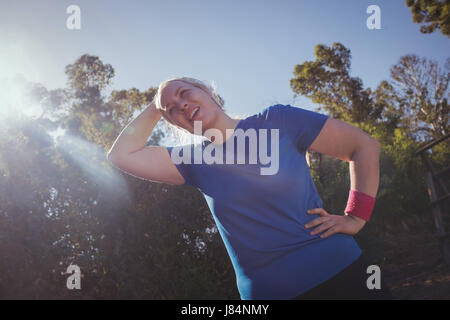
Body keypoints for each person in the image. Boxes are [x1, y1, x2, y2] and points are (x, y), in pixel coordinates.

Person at [107, 77, 393, 300]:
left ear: (207, 91)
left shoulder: (278, 120)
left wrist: (355, 217)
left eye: (185, 93)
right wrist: (157, 104)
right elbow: (121, 155)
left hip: (342, 273)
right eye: (171, 110)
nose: (180, 104)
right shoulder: (191, 160)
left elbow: (363, 146)